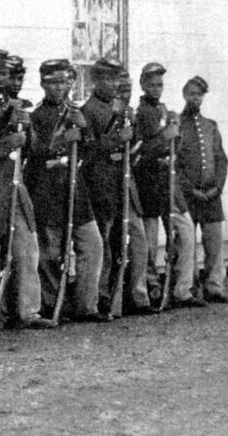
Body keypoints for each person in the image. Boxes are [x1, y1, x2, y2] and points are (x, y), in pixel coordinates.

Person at [0, 49, 55, 329]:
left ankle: (28, 311)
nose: (2, 78)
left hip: (16, 186)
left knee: (27, 248)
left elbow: (34, 150)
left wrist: (27, 132)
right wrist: (8, 142)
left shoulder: (15, 106)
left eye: (6, 73)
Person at [24, 59, 107, 322]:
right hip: (47, 190)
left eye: (65, 81)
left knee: (92, 244)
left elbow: (93, 152)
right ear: (43, 84)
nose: (60, 87)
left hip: (75, 189)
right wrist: (62, 141)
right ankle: (50, 305)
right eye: (54, 82)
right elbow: (36, 151)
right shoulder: (35, 116)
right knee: (50, 252)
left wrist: (83, 128)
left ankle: (86, 304)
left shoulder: (75, 112)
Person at [79, 58, 155, 316]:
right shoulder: (88, 110)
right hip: (102, 184)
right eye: (107, 80)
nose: (113, 85)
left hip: (125, 183)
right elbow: (88, 152)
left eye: (116, 80)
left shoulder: (121, 107)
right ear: (95, 82)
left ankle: (137, 296)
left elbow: (135, 144)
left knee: (138, 240)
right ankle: (103, 299)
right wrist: (116, 139)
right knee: (108, 244)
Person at [133, 62, 204, 308]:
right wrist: (164, 138)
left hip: (168, 182)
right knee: (150, 242)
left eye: (160, 84)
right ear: (142, 84)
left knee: (185, 232)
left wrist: (176, 133)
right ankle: (150, 289)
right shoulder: (139, 113)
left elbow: (177, 147)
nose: (156, 89)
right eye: (151, 84)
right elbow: (137, 153)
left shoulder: (163, 109)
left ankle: (182, 290)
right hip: (149, 183)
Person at [178, 76, 228, 303]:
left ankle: (214, 287)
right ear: (184, 95)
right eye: (191, 94)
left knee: (215, 242)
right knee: (186, 244)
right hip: (189, 196)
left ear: (203, 97)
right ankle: (187, 289)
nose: (194, 98)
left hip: (211, 196)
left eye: (198, 94)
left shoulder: (210, 126)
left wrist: (217, 187)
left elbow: (221, 160)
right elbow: (176, 166)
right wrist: (189, 190)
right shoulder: (177, 124)